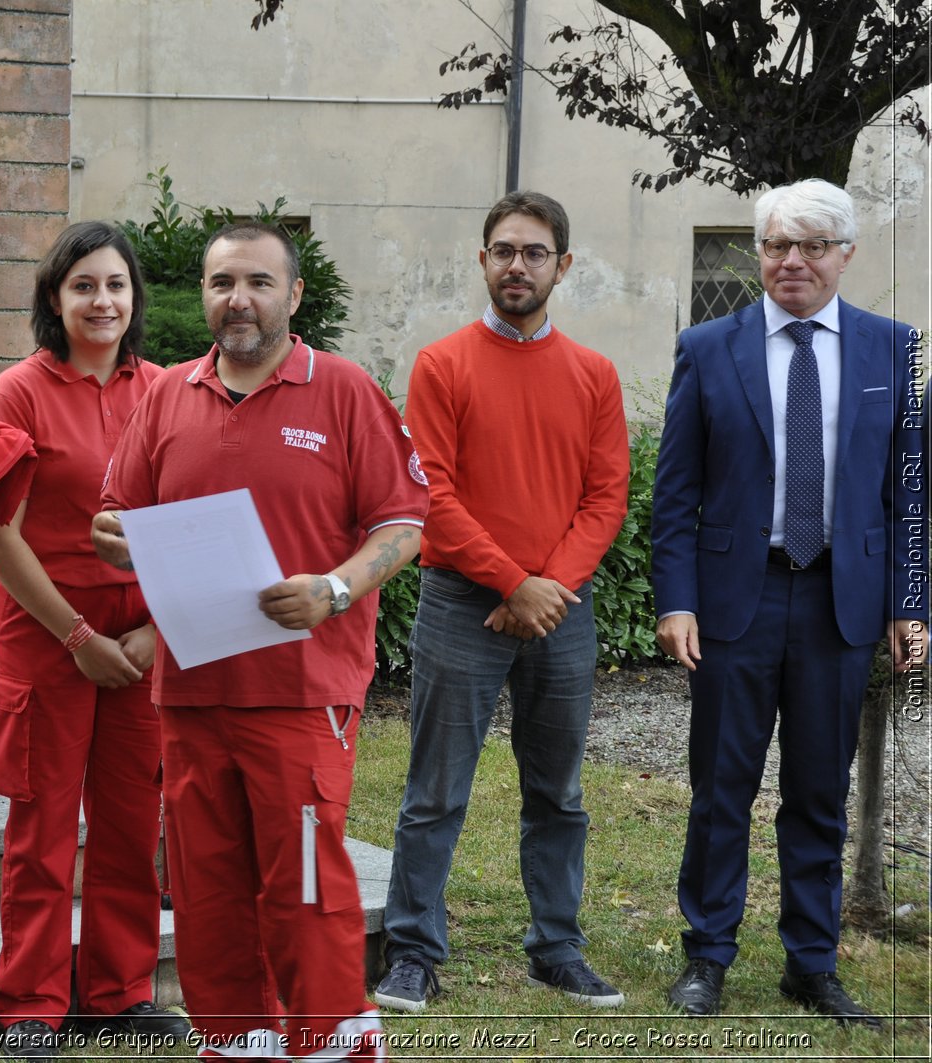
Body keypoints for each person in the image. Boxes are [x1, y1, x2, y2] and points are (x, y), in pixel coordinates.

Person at [93, 221, 429, 1062]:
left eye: (257, 282)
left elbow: (404, 521)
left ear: (294, 295)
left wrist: (335, 589)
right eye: (220, 283)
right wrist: (125, 539)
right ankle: (235, 1040)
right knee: (205, 889)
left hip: (302, 689)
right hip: (193, 686)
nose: (237, 299)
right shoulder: (168, 394)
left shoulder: (345, 390)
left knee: (306, 883)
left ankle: (331, 1041)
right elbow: (112, 514)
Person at [652, 178, 925, 1025]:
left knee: (819, 791)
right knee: (720, 786)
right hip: (740, 596)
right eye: (776, 245)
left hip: (842, 600)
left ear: (845, 254)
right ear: (758, 252)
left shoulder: (893, 348)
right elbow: (676, 494)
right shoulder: (707, 346)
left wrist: (910, 599)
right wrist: (677, 601)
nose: (791, 261)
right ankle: (707, 956)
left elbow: (909, 492)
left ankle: (811, 962)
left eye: (811, 245)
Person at [374, 191, 630, 1013]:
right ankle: (413, 950)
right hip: (463, 602)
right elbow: (432, 495)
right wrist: (512, 582)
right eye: (503, 250)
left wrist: (545, 588)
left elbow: (607, 495)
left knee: (557, 791)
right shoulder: (442, 364)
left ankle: (556, 946)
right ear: (482, 261)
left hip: (562, 606)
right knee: (434, 789)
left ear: (563, 263)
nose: (517, 264)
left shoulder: (593, 374)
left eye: (534, 251)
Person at [0, 221, 188, 1059]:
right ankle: (29, 1002)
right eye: (84, 286)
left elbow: (189, 525)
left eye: (116, 285)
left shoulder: (170, 390)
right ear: (54, 299)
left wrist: (150, 633)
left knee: (135, 824)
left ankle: (120, 993)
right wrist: (79, 637)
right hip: (47, 643)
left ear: (134, 298)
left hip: (141, 647)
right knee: (44, 826)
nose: (103, 301)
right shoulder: (18, 394)